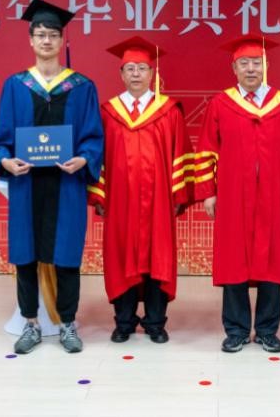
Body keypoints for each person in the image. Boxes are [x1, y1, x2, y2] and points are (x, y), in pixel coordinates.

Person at [0, 0, 104, 355]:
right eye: (40, 35)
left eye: (53, 35)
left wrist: (83, 159)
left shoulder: (82, 86)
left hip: (65, 183)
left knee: (67, 255)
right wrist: (5, 161)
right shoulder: (15, 85)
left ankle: (67, 323)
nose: (47, 41)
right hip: (27, 184)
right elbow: (1, 139)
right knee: (26, 254)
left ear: (62, 39)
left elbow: (93, 137)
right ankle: (31, 323)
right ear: (31, 40)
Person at [194, 34, 280, 353]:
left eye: (256, 63)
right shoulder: (221, 104)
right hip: (232, 196)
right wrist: (209, 192)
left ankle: (268, 329)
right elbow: (206, 151)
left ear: (265, 66)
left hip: (273, 196)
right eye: (243, 63)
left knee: (271, 260)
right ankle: (237, 330)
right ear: (234, 68)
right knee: (233, 260)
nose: (250, 69)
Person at [88, 36, 195, 344]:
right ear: (121, 74)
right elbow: (98, 157)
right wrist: (99, 194)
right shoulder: (108, 113)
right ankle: (123, 322)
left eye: (142, 68)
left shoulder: (169, 111)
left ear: (152, 73)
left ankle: (155, 323)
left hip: (159, 201)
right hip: (120, 201)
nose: (136, 73)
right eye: (130, 68)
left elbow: (181, 153)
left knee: (157, 256)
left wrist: (178, 195)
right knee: (121, 255)